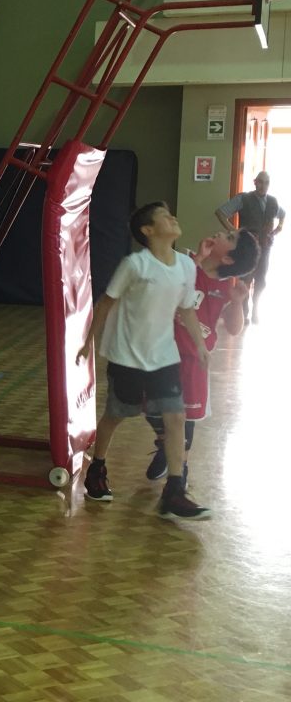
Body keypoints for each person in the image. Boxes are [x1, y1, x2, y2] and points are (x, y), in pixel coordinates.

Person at [76, 202, 210, 520]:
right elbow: (106, 302)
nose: (172, 218)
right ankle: (97, 469)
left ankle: (174, 491)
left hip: (164, 356)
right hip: (127, 355)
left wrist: (200, 345)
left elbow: (187, 309)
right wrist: (88, 341)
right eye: (164, 217)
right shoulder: (135, 265)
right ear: (148, 231)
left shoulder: (186, 265)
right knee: (118, 414)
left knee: (175, 417)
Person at [144, 229, 259, 484]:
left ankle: (180, 473)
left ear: (227, 259)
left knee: (187, 417)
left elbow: (234, 328)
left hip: (194, 359)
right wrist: (196, 260)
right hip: (162, 350)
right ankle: (165, 443)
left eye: (229, 238)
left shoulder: (228, 287)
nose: (220, 233)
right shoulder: (186, 262)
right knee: (151, 409)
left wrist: (237, 303)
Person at [215, 170, 285, 323]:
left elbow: (282, 214)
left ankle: (255, 311)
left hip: (265, 248)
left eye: (266, 183)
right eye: (260, 182)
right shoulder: (243, 198)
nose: (263, 186)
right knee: (245, 278)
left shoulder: (273, 202)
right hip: (247, 249)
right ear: (255, 182)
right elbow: (221, 213)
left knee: (261, 280)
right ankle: (244, 311)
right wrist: (235, 231)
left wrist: (278, 228)